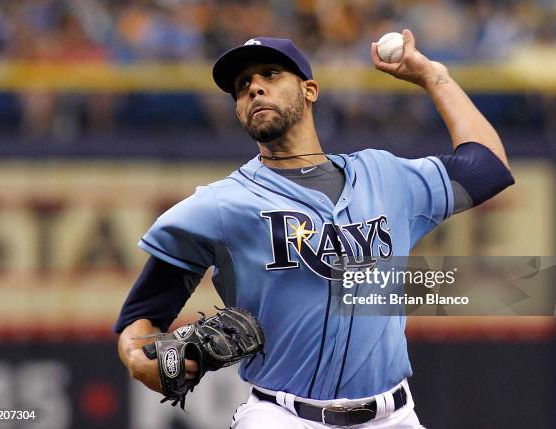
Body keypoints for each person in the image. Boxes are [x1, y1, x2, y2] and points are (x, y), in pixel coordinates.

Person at [115, 30, 514, 428]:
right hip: (281, 415)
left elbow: (488, 167)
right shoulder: (220, 205)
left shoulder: (385, 176)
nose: (254, 89)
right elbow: (143, 316)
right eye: (242, 86)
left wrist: (433, 76)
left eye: (270, 75)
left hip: (394, 416)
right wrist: (137, 358)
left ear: (310, 90)